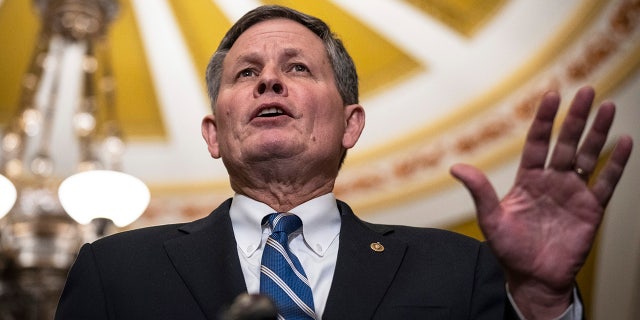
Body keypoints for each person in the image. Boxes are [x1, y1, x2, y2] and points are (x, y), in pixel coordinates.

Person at [55, 5, 633, 320]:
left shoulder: (461, 270)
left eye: (298, 68)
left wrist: (542, 304)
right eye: (246, 73)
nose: (270, 81)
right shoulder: (115, 273)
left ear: (351, 124)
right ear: (214, 133)